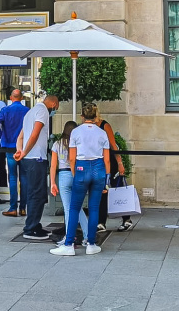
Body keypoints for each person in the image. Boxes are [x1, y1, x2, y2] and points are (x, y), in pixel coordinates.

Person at [50, 103, 109, 257]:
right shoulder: (102, 133)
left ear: (82, 117)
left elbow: (71, 158)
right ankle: (91, 243)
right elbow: (107, 160)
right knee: (94, 207)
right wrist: (106, 181)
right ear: (96, 116)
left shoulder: (76, 132)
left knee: (74, 207)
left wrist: (76, 175)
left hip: (81, 168)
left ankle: (69, 244)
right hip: (98, 168)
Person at [14, 94, 59, 240]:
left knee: (33, 192)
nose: (55, 110)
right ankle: (30, 228)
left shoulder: (29, 112)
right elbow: (35, 134)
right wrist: (25, 151)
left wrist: (20, 151)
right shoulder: (43, 111)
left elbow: (20, 136)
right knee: (37, 194)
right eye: (56, 107)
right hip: (36, 158)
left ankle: (34, 224)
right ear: (52, 102)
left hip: (28, 159)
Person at [50, 120, 89, 247]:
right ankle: (88, 236)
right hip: (76, 174)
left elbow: (53, 165)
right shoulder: (78, 144)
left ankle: (69, 237)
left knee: (68, 209)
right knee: (78, 208)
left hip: (63, 175)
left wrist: (52, 183)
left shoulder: (57, 144)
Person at [92, 114, 133, 232]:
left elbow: (113, 145)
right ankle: (101, 222)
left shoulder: (105, 125)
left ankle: (126, 219)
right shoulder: (87, 127)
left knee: (117, 189)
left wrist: (120, 163)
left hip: (110, 161)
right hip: (98, 163)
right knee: (102, 191)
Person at [0, 89, 29, 217]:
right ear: (22, 98)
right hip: (23, 148)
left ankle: (13, 207)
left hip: (9, 146)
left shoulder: (6, 110)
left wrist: (1, 135)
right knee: (24, 177)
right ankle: (23, 207)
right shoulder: (27, 111)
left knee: (13, 177)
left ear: (10, 97)